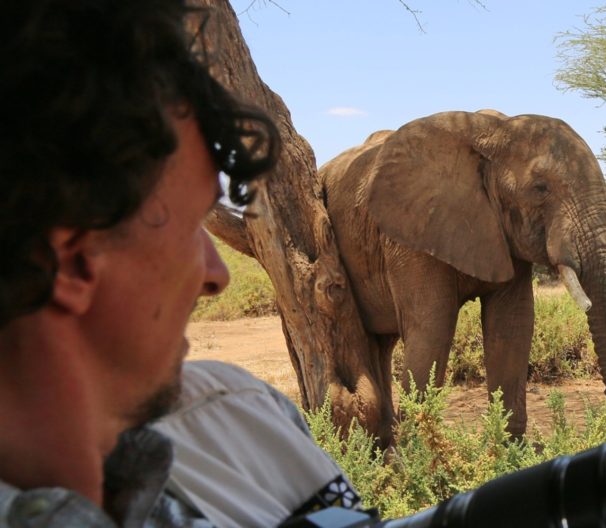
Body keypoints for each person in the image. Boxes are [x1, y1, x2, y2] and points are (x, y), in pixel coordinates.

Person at [0, 1, 358, 526]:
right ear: (74, 265)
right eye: (195, 225)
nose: (217, 276)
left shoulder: (244, 415)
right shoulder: (229, 424)